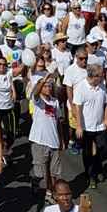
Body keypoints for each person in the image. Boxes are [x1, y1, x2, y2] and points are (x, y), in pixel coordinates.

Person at [72, 64, 107, 189]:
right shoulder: (81, 88)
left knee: (102, 147)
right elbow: (77, 107)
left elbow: (106, 103)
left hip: (99, 126)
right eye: (100, 76)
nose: (102, 78)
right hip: (86, 127)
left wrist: (106, 119)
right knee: (88, 152)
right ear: (93, 76)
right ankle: (91, 176)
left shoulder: (101, 86)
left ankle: (98, 168)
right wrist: (78, 126)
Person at [28, 75, 63, 204]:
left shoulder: (55, 102)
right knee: (41, 173)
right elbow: (35, 92)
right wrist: (44, 78)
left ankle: (51, 193)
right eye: (46, 86)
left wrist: (61, 139)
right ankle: (34, 180)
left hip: (53, 141)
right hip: (39, 141)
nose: (48, 88)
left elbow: (58, 121)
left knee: (54, 172)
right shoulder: (37, 100)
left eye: (50, 86)